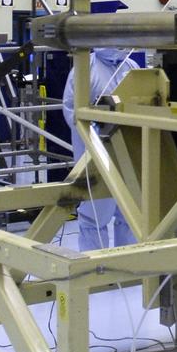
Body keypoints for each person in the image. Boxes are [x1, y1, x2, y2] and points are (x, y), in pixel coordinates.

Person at [61, 48, 136, 251]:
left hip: (128, 154)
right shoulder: (86, 68)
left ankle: (127, 266)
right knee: (94, 212)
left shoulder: (130, 67)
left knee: (130, 213)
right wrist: (98, 125)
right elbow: (71, 110)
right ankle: (96, 271)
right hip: (94, 153)